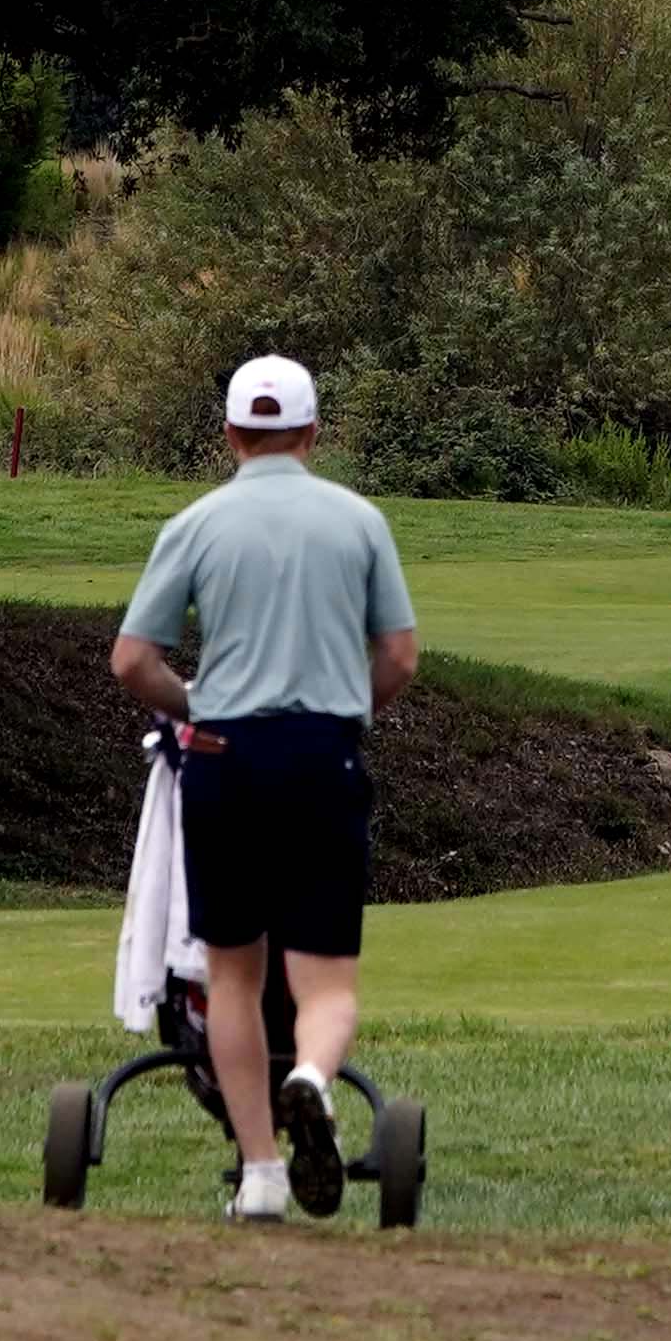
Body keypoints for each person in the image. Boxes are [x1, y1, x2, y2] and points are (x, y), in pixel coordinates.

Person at [111, 354, 419, 1221]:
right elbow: (398, 656)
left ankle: (261, 1176)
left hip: (223, 762)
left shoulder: (197, 524)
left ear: (231, 434)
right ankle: (315, 1078)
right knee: (325, 984)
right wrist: (349, 713)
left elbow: (133, 660)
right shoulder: (359, 522)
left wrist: (196, 705)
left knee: (233, 979)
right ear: (313, 433)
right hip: (322, 758)